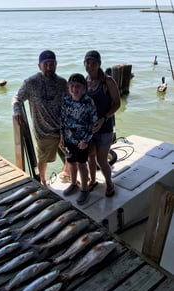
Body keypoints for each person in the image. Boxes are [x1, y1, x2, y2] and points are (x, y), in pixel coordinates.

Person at [12, 50, 68, 186]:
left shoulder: (62, 83)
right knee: (43, 159)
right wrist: (17, 110)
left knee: (71, 154)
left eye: (52, 64)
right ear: (39, 66)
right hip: (43, 131)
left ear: (56, 64)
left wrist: (65, 130)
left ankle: (66, 173)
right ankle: (43, 181)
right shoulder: (30, 83)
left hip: (62, 128)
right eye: (46, 64)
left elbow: (68, 106)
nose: (49, 68)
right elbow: (17, 98)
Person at [84, 50, 121, 197]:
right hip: (89, 129)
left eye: (94, 63)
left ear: (99, 64)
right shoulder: (84, 82)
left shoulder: (107, 81)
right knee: (90, 156)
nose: (90, 65)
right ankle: (92, 180)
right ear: (84, 64)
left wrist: (104, 118)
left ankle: (109, 184)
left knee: (101, 160)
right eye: (88, 62)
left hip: (104, 127)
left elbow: (117, 104)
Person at [60, 73, 98, 205]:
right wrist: (62, 136)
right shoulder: (66, 100)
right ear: (68, 87)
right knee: (71, 162)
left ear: (84, 88)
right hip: (69, 139)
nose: (74, 89)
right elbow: (63, 119)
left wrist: (86, 140)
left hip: (82, 141)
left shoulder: (89, 102)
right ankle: (73, 184)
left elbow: (93, 123)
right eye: (71, 86)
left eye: (78, 86)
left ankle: (84, 189)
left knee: (82, 164)